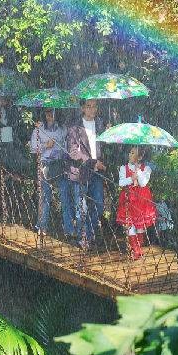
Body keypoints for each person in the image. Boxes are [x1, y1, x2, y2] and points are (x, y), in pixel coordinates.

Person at [66, 99, 106, 248]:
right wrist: (91, 162)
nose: (92, 109)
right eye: (89, 106)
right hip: (80, 172)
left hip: (97, 173)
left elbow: (103, 147)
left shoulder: (100, 125)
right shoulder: (75, 128)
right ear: (83, 108)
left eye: (95, 106)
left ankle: (89, 234)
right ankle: (84, 239)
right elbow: (73, 152)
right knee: (81, 208)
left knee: (99, 205)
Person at [30, 109, 72, 240]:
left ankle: (69, 228)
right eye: (47, 112)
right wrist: (45, 145)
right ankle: (42, 227)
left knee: (65, 195)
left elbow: (67, 146)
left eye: (53, 112)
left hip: (59, 165)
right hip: (45, 166)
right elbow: (33, 148)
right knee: (45, 196)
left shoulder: (62, 129)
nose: (50, 115)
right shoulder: (38, 129)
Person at [116, 147, 158, 259]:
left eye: (133, 153)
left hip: (141, 199)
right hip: (128, 198)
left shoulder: (146, 168)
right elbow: (121, 183)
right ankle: (135, 250)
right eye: (130, 152)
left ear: (140, 157)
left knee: (140, 226)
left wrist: (138, 171)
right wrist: (131, 178)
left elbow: (143, 183)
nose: (130, 154)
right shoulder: (123, 168)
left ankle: (138, 247)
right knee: (130, 224)